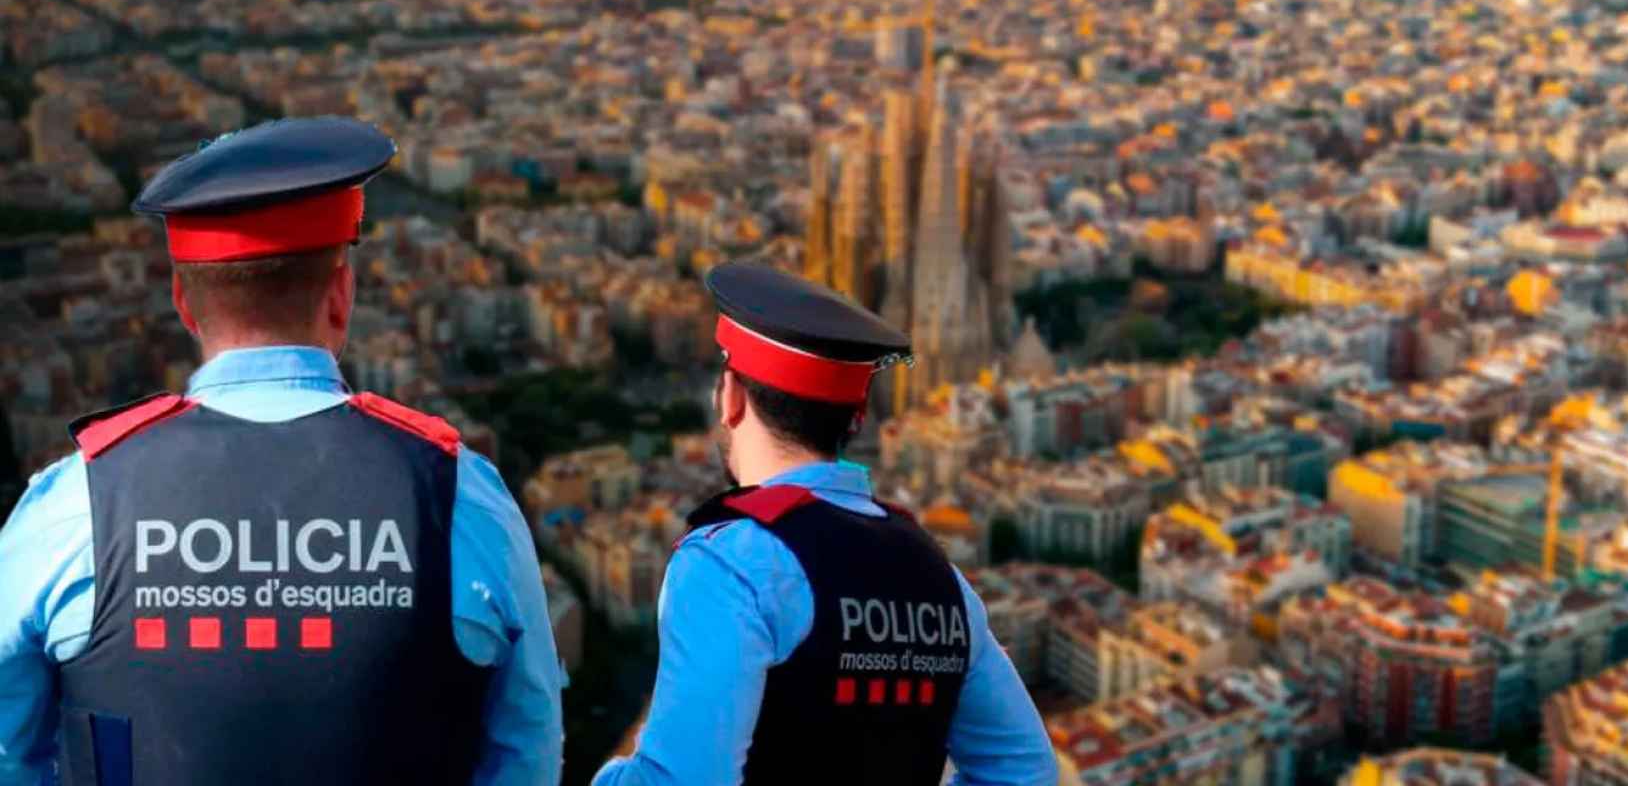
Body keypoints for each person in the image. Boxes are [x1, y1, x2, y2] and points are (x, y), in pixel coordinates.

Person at [0, 118, 563, 786]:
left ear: (185, 302)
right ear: (341, 296)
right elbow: (524, 750)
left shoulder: (72, 509)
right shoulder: (459, 497)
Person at [594, 262, 1057, 786]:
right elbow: (1025, 771)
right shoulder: (941, 577)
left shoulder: (730, 564)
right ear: (855, 419)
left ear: (732, 399)